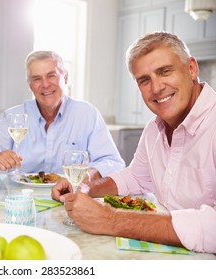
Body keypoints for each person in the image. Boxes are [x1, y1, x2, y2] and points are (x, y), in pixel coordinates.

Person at [52, 31, 216, 254]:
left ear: (191, 68)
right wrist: (86, 188)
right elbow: (135, 177)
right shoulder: (153, 129)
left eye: (165, 71)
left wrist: (112, 220)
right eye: (144, 80)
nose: (156, 88)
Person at [0, 50, 125, 179]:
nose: (45, 84)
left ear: (66, 77)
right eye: (37, 79)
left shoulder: (87, 114)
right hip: (22, 201)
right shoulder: (13, 116)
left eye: (52, 75)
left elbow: (113, 162)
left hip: (70, 199)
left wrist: (86, 175)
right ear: (30, 85)